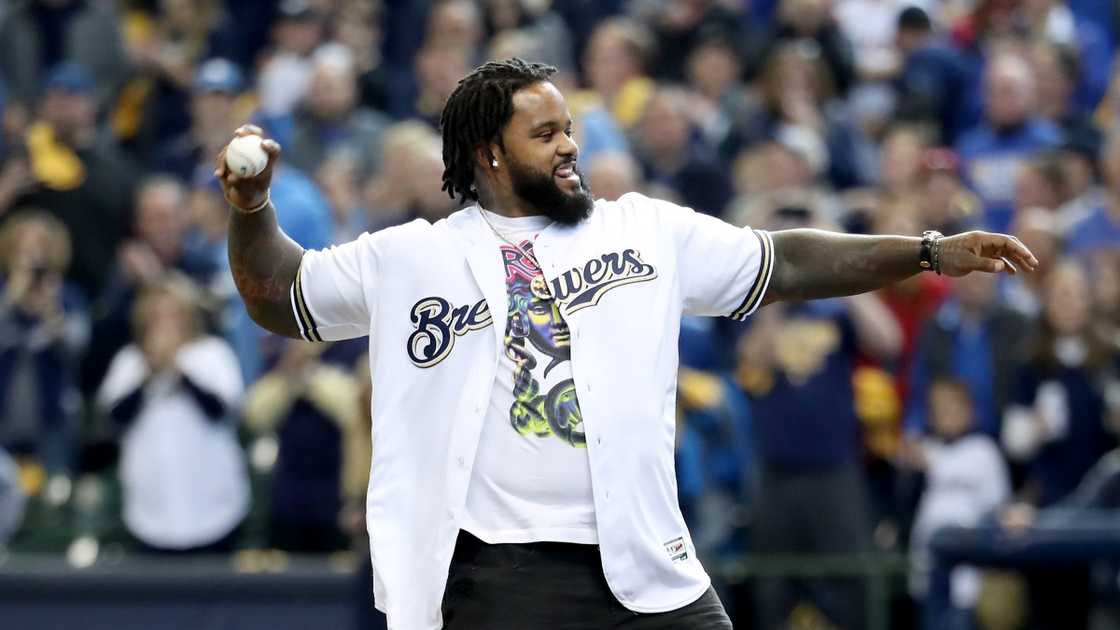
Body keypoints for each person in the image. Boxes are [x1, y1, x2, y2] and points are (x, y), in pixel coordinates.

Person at [215, 58, 1038, 630]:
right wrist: (253, 211)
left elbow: (782, 261)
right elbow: (279, 298)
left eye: (569, 127)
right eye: (546, 134)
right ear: (489, 153)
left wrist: (926, 251)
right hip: (497, 575)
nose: (571, 145)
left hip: (643, 558)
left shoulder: (644, 230)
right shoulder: (410, 256)